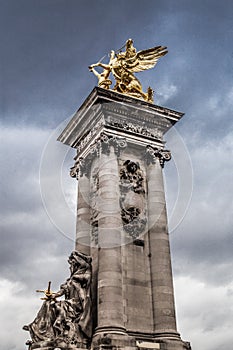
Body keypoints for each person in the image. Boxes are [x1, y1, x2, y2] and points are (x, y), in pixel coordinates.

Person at [23, 251, 92, 348]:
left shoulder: (82, 276)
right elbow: (61, 292)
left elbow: (83, 291)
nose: (70, 267)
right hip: (70, 303)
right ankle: (38, 328)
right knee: (49, 303)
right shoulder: (71, 280)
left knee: (58, 306)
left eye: (72, 264)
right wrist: (52, 296)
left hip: (77, 303)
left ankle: (59, 325)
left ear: (77, 264)